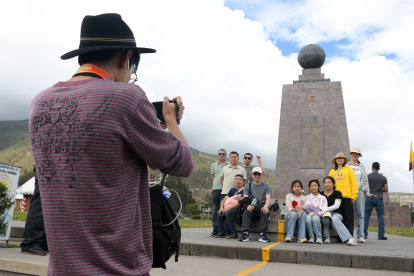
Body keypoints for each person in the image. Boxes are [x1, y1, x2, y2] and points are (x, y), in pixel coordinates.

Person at [29, 13, 193, 275]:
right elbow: (183, 164)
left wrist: (151, 128)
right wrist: (171, 121)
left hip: (61, 268)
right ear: (125, 57)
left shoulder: (40, 103)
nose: (130, 76)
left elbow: (100, 147)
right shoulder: (126, 97)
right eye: (132, 68)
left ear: (82, 57)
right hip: (118, 269)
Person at [321, 176, 357, 246]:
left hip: (336, 213)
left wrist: (324, 208)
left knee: (335, 219)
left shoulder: (337, 193)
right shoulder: (321, 194)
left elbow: (336, 206)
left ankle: (350, 238)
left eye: (329, 182)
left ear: (333, 184)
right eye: (325, 183)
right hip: (324, 214)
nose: (327, 184)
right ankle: (325, 237)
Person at [20, 166, 48, 255]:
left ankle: (43, 242)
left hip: (56, 162)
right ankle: (31, 241)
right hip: (49, 163)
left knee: (53, 204)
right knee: (41, 201)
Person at [239, 167, 271, 242]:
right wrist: (248, 206)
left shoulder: (266, 186)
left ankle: (263, 234)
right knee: (246, 212)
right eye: (255, 174)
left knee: (265, 211)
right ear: (252, 175)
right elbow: (246, 199)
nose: (257, 176)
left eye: (259, 174)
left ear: (262, 175)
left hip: (261, 208)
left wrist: (266, 206)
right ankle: (245, 233)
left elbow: (268, 198)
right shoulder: (247, 186)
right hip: (251, 208)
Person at [329, 153, 358, 236]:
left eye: (342, 158)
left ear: (344, 160)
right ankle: (339, 236)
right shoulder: (332, 171)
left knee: (348, 218)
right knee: (337, 218)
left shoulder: (349, 170)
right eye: (338, 158)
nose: (340, 159)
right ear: (335, 161)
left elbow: (353, 183)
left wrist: (354, 195)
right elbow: (329, 184)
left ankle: (349, 236)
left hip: (347, 197)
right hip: (336, 198)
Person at [347, 148, 370, 243]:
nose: (354, 155)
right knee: (348, 214)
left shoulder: (362, 167)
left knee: (360, 214)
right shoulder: (347, 166)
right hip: (349, 191)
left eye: (356, 154)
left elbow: (365, 179)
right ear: (351, 154)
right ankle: (348, 235)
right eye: (353, 153)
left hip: (359, 190)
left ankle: (361, 235)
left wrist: (367, 192)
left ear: (359, 155)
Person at [214, 174, 244, 239]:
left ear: (243, 182)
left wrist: (227, 209)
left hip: (238, 210)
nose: (238, 181)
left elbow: (239, 203)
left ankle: (233, 233)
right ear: (234, 181)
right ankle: (221, 232)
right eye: (236, 179)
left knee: (228, 212)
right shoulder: (232, 190)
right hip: (229, 208)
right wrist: (222, 208)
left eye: (240, 179)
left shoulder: (244, 191)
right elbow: (224, 199)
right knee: (219, 212)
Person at [364, 162, 388, 240]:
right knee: (380, 216)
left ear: (372, 167)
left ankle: (364, 234)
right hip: (379, 197)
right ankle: (381, 235)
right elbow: (386, 189)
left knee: (366, 216)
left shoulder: (367, 176)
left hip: (370, 197)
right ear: (379, 168)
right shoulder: (383, 178)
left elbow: (365, 187)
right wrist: (380, 189)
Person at [210, 149, 229, 237]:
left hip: (226, 190)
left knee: (224, 210)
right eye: (220, 154)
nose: (221, 155)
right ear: (218, 155)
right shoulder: (213, 165)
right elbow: (213, 177)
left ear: (225, 155)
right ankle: (215, 229)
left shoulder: (229, 165)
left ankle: (223, 229)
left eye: (223, 154)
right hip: (216, 189)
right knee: (214, 211)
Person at [305, 179, 327, 244]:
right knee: (308, 219)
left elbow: (324, 208)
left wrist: (318, 213)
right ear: (309, 187)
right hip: (310, 214)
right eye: (311, 186)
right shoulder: (307, 197)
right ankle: (311, 237)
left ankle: (319, 237)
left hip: (319, 215)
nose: (313, 187)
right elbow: (307, 206)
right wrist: (311, 213)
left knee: (315, 218)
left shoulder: (323, 197)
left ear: (318, 187)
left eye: (315, 185)